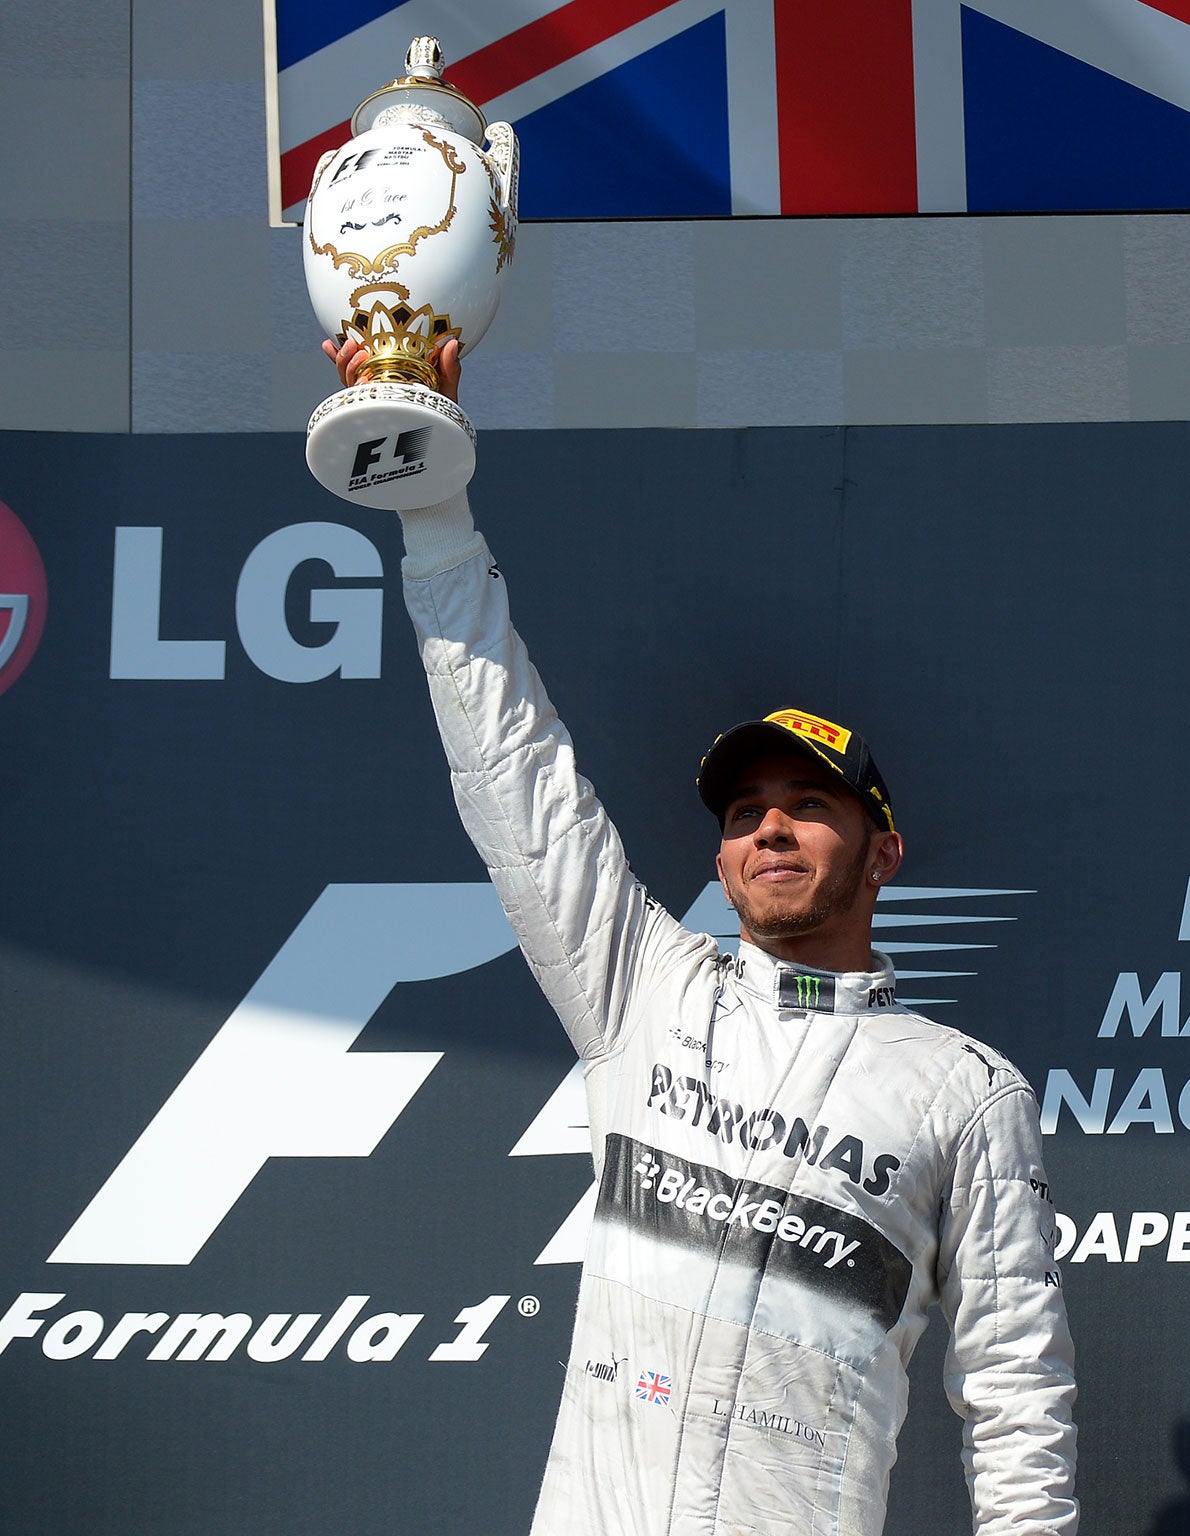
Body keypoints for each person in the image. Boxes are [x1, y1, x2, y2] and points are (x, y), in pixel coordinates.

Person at [326, 338, 1078, 1535]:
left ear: (882, 851)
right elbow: (514, 773)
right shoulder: (639, 987)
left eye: (808, 808)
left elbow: (1013, 1388)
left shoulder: (963, 1091)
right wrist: (431, 509)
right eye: (742, 815)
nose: (769, 828)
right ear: (721, 862)